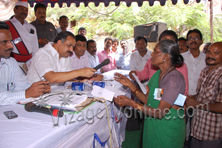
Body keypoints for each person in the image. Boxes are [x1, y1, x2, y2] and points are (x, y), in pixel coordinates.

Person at [114, 40, 186, 147]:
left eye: (156, 52)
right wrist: (130, 85)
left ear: (166, 56)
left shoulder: (174, 79)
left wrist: (131, 103)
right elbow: (149, 101)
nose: (152, 54)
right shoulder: (158, 74)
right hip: (153, 127)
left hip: (167, 130)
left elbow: (160, 113)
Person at [0, 21, 50, 106]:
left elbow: (22, 85)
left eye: (11, 41)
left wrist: (38, 89)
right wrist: (26, 94)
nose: (11, 46)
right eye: (5, 42)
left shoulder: (11, 62)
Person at [185, 42, 222, 148]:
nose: (210, 56)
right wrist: (194, 97)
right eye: (209, 52)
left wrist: (196, 104)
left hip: (212, 133)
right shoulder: (205, 71)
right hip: (197, 129)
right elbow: (204, 95)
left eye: (216, 53)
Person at [129, 30, 189, 95]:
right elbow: (145, 74)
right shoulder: (155, 66)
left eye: (170, 41)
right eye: (164, 41)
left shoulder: (179, 67)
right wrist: (136, 74)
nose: (152, 54)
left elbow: (184, 90)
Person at [27, 31, 96, 86]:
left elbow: (67, 78)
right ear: (59, 43)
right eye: (69, 46)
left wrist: (80, 82)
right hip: (36, 97)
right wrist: (80, 72)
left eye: (73, 47)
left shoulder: (65, 55)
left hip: (56, 93)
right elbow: (51, 78)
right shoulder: (42, 53)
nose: (71, 50)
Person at [182, 29, 206, 95]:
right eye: (190, 38)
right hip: (184, 98)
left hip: (201, 98)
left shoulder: (206, 59)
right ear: (187, 42)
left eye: (196, 38)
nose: (193, 40)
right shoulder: (181, 58)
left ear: (201, 41)